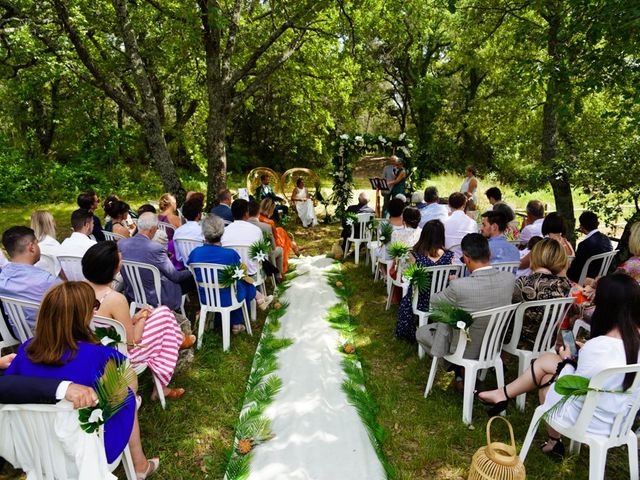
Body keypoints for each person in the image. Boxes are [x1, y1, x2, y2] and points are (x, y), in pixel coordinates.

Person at [4, 282, 158, 476]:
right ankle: (140, 466)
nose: (95, 310)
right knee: (127, 397)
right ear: (83, 316)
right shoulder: (100, 356)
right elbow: (129, 387)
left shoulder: (26, 350)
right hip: (87, 450)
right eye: (93, 306)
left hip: (38, 450)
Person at [479, 272, 640, 457]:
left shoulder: (599, 346)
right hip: (619, 419)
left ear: (606, 307)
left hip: (587, 419)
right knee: (548, 362)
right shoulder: (630, 341)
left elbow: (572, 384)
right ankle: (503, 395)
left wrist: (567, 359)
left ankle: (552, 440)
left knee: (548, 377)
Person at [83, 242, 192, 401]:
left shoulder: (80, 290)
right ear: (112, 269)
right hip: (120, 356)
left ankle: (177, 340)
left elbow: (109, 324)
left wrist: (134, 318)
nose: (122, 265)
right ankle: (163, 381)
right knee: (164, 315)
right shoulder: (115, 299)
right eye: (120, 262)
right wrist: (142, 318)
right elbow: (133, 341)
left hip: (96, 351)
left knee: (162, 313)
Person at [416, 234, 515, 390]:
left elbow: (434, 301)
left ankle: (457, 369)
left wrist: (452, 286)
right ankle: (462, 374)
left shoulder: (459, 286)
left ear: (467, 259)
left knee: (422, 333)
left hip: (464, 349)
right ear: (489, 254)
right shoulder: (509, 279)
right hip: (493, 345)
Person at [188, 216, 257, 334]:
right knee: (246, 285)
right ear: (222, 232)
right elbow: (238, 275)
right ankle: (236, 323)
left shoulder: (195, 253)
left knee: (236, 285)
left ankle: (218, 321)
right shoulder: (230, 254)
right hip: (227, 299)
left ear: (204, 233)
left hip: (206, 297)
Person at [118, 212, 194, 312]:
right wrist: (192, 271)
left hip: (133, 294)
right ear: (153, 229)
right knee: (191, 279)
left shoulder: (121, 244)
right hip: (157, 298)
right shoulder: (155, 248)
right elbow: (175, 276)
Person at [395, 220, 454, 341]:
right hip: (442, 299)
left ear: (424, 235)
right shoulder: (449, 256)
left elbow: (408, 275)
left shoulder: (415, 255)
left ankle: (407, 333)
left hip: (421, 300)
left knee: (407, 299)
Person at [510, 238, 572, 349]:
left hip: (520, 340)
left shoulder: (522, 282)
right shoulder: (565, 285)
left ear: (534, 257)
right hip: (549, 340)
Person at [0, 226, 61, 330]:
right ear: (31, 247)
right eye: (37, 243)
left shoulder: (2, 277)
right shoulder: (46, 281)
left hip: (21, 334)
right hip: (52, 336)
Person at [567, 211, 613, 284]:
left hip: (585, 278)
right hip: (602, 276)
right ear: (597, 224)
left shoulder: (584, 244)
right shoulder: (606, 239)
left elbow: (575, 269)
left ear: (582, 226)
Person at [221, 199, 263, 276]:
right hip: (252, 272)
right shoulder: (256, 230)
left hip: (230, 273)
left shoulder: (224, 231)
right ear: (247, 213)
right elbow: (262, 253)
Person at [259, 198, 300, 273]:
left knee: (280, 230)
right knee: (282, 233)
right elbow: (275, 239)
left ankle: (293, 246)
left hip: (260, 242)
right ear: (270, 209)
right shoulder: (270, 222)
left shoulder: (257, 218)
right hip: (269, 245)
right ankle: (293, 246)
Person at [247, 200, 284, 280]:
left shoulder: (241, 227)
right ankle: (278, 276)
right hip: (262, 258)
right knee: (278, 250)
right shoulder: (266, 227)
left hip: (245, 258)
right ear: (258, 212)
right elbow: (273, 247)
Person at [173, 198, 204, 265]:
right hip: (203, 268)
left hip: (186, 267)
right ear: (199, 214)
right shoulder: (203, 231)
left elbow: (178, 258)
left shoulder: (177, 232)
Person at [31, 210, 62, 278]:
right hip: (54, 284)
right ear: (50, 224)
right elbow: (61, 270)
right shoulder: (53, 244)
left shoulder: (28, 246)